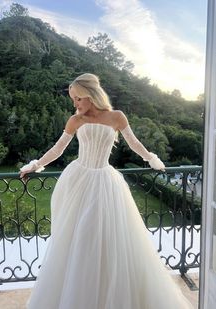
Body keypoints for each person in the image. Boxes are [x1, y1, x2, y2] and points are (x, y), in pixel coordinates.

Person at [20, 73, 193, 309]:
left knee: (105, 236)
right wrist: (35, 165)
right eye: (74, 99)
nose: (75, 104)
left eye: (78, 98)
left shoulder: (116, 117)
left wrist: (151, 158)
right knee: (77, 236)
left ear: (91, 96)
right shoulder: (75, 120)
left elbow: (133, 143)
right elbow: (58, 149)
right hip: (79, 179)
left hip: (104, 181)